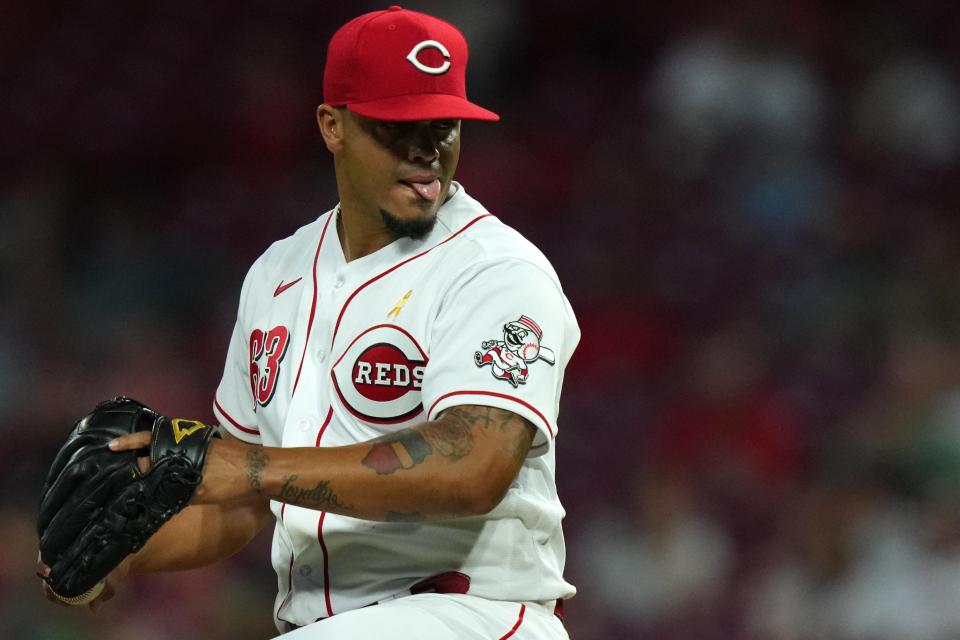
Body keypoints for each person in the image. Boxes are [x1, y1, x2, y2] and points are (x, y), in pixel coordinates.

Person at [42, 6, 579, 639]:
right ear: (333, 126)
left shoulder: (496, 271)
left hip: (471, 614)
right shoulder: (278, 275)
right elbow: (240, 504)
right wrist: (120, 554)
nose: (426, 150)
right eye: (396, 126)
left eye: (444, 127)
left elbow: (473, 468)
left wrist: (245, 467)